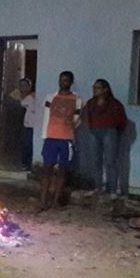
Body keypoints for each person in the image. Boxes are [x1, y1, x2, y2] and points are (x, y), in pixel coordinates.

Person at [38, 71, 82, 211]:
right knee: (47, 169)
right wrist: (45, 135)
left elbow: (77, 119)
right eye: (61, 80)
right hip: (51, 137)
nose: (63, 82)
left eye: (66, 80)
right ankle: (43, 201)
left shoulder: (77, 99)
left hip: (66, 139)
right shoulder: (50, 97)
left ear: (71, 82)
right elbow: (46, 116)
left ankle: (55, 201)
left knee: (62, 170)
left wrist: (70, 130)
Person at [83, 79, 127, 197]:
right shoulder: (90, 103)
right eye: (94, 87)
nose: (94, 90)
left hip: (109, 132)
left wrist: (114, 131)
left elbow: (122, 121)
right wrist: (91, 129)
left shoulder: (115, 104)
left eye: (97, 88)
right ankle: (98, 187)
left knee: (110, 161)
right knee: (96, 160)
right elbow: (88, 117)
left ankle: (112, 189)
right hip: (94, 132)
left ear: (105, 89)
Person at [16, 78, 38, 171]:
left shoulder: (32, 96)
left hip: (33, 125)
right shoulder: (18, 95)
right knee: (25, 144)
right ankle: (25, 164)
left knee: (29, 145)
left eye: (25, 85)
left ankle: (28, 165)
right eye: (21, 85)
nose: (23, 87)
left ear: (30, 87)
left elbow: (22, 104)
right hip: (25, 124)